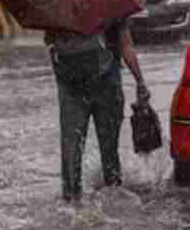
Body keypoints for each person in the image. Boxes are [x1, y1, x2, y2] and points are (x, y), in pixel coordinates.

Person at [46, 18, 148, 202]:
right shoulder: (113, 1)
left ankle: (71, 202)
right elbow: (126, 46)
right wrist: (140, 82)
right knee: (110, 152)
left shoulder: (58, 7)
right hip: (107, 86)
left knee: (71, 152)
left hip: (72, 88)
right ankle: (114, 198)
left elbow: (52, 46)